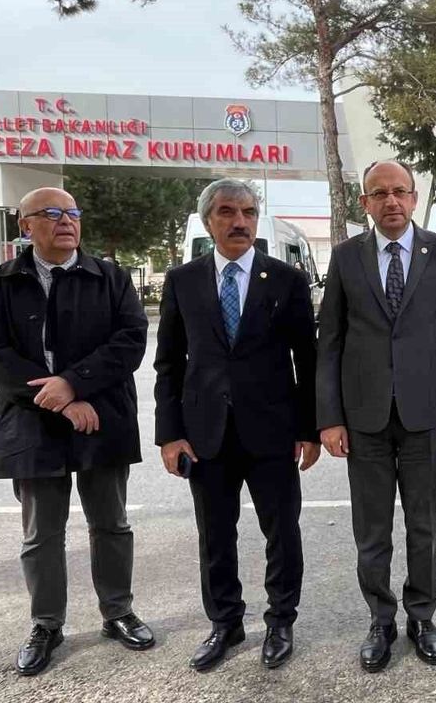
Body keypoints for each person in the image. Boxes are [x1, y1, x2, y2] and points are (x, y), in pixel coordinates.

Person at [0, 187, 153, 676]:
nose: (66, 221)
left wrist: (74, 384)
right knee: (41, 533)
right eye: (51, 213)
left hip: (101, 416)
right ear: (25, 225)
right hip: (30, 419)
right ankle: (46, 624)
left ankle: (118, 612)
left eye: (72, 212)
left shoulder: (110, 278)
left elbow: (130, 342)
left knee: (111, 522)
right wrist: (61, 400)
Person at [154, 179, 319, 672]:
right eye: (227, 212)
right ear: (209, 221)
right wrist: (170, 434)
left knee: (282, 532)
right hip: (205, 434)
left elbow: (307, 362)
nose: (239, 221)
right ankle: (225, 623)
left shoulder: (286, 280)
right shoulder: (182, 281)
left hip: (273, 431)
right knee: (215, 536)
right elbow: (169, 364)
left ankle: (281, 621)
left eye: (247, 212)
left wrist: (309, 429)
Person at [316, 160, 436, 671]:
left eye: (400, 192)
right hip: (365, 417)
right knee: (372, 530)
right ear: (364, 203)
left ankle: (422, 617)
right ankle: (380, 620)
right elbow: (330, 342)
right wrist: (329, 418)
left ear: (414, 197)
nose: (391, 201)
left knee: (423, 526)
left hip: (426, 415)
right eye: (379, 194)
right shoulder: (346, 257)